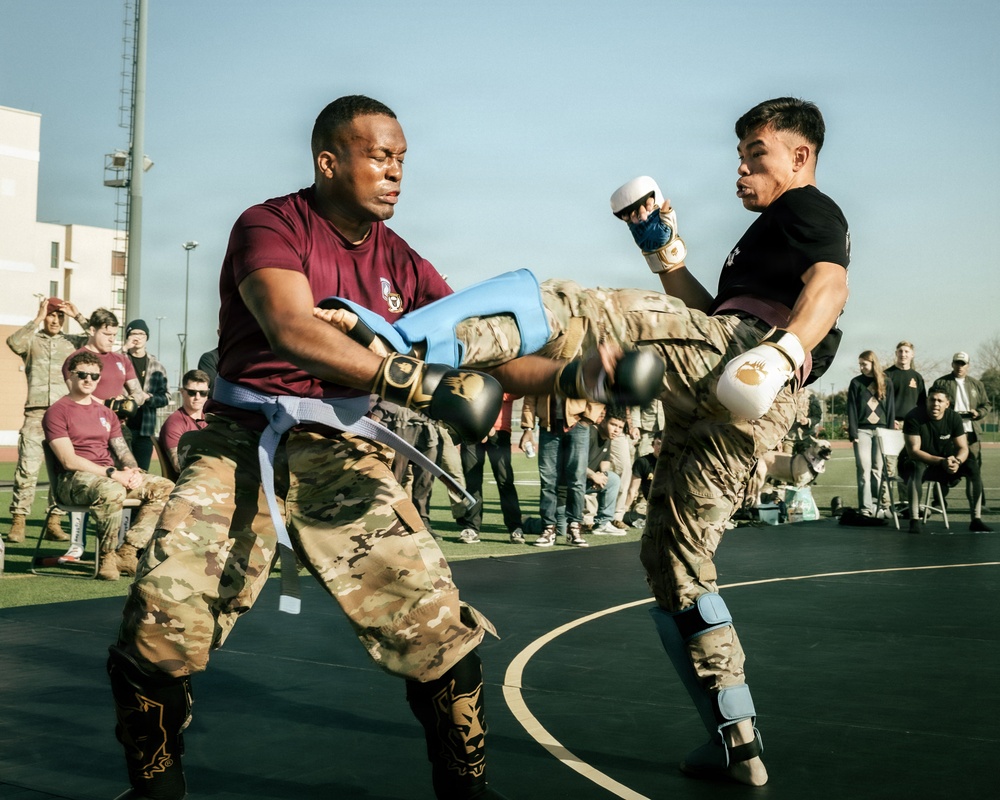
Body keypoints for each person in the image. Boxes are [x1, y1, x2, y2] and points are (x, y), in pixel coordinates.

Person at [253, 95, 850, 787]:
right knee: (675, 566)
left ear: (800, 158)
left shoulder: (806, 209)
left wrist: (784, 351)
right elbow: (702, 321)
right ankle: (735, 738)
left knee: (567, 307)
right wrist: (666, 258)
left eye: (756, 156)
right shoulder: (764, 236)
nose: (740, 171)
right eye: (741, 157)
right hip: (742, 400)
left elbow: (828, 286)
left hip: (753, 364)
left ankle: (403, 341)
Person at [107, 95, 517, 800]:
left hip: (341, 445)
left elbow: (484, 344)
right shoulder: (269, 225)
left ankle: (468, 792)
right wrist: (413, 380)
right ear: (330, 161)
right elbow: (291, 326)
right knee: (161, 618)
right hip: (240, 439)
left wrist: (582, 374)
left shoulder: (402, 260)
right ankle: (154, 792)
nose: (395, 173)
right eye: (379, 156)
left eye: (402, 160)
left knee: (436, 625)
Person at [42, 352, 174, 580]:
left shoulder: (106, 413)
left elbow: (122, 450)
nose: (88, 380)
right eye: (82, 374)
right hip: (72, 481)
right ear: (70, 377)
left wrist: (133, 471)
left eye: (94, 376)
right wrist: (114, 474)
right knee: (111, 490)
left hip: (106, 476)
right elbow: (68, 460)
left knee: (165, 487)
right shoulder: (57, 411)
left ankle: (128, 551)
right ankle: (106, 556)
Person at [4, 296, 89, 544]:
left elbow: (101, 344)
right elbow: (13, 342)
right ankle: (18, 521)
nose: (55, 320)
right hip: (36, 414)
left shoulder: (71, 343)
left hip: (63, 416)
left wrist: (78, 316)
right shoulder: (32, 341)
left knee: (62, 470)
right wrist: (38, 318)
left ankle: (54, 521)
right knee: (27, 470)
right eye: (51, 315)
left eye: (59, 316)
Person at [899, 387, 993, 533]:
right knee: (915, 466)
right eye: (932, 400)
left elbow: (963, 448)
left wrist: (958, 462)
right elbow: (914, 452)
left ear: (947, 404)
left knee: (972, 465)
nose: (935, 404)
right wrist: (941, 461)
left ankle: (976, 519)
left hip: (943, 462)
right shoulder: (914, 416)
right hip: (917, 461)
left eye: (940, 401)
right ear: (927, 401)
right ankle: (914, 520)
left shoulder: (953, 417)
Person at [519, 395, 599, 548]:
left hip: (578, 424)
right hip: (548, 426)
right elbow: (530, 395)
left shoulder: (582, 369)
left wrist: (588, 418)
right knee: (548, 480)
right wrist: (528, 427)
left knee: (577, 480)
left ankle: (574, 527)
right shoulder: (541, 369)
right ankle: (548, 528)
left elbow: (598, 390)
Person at [457, 393, 525, 544]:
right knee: (472, 481)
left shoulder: (505, 372)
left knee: (505, 480)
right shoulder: (469, 368)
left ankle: (515, 527)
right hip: (471, 427)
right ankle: (471, 528)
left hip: (500, 430)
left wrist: (491, 390)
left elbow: (517, 392)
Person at [931, 351, 992, 515]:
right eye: (957, 363)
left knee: (974, 469)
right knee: (943, 465)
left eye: (963, 363)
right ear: (952, 364)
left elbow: (986, 405)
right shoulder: (941, 382)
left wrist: (978, 413)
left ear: (968, 366)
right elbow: (932, 403)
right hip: (948, 433)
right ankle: (938, 502)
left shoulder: (976, 384)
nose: (960, 366)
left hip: (971, 434)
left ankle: (979, 504)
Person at [63, 308, 149, 415]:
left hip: (116, 426)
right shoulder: (75, 360)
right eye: (107, 334)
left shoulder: (122, 360)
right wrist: (109, 404)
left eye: (114, 335)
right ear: (93, 331)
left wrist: (125, 402)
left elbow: (138, 394)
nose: (112, 339)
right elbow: (78, 395)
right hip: (88, 424)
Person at [847, 350, 895, 516]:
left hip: (881, 432)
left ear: (873, 363)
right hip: (862, 432)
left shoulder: (886, 382)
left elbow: (890, 410)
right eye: (860, 364)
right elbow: (851, 409)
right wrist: (853, 433)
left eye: (864, 364)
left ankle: (877, 506)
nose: (861, 367)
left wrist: (889, 434)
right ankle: (866, 508)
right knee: (863, 471)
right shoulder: (855, 383)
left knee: (878, 470)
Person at [122, 319, 171, 471]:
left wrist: (148, 397)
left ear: (147, 337)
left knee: (142, 473)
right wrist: (124, 349)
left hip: (145, 430)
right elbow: (107, 364)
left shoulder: (157, 366)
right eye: (133, 333)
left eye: (141, 333)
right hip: (121, 428)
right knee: (121, 470)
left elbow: (166, 397)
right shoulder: (120, 360)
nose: (137, 337)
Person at [157, 369, 210, 475]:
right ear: (182, 392)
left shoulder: (211, 419)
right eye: (192, 392)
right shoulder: (174, 423)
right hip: (188, 481)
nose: (197, 397)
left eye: (203, 393)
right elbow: (178, 464)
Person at [587, 410, 626, 536]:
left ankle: (603, 523)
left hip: (587, 481)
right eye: (613, 425)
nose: (617, 430)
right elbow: (576, 464)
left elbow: (605, 460)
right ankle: (528, 522)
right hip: (571, 483)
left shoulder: (608, 438)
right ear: (603, 422)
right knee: (560, 528)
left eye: (620, 427)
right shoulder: (590, 434)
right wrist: (593, 476)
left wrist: (602, 474)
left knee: (612, 479)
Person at [885, 340, 926, 424]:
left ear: (912, 354)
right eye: (900, 351)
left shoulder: (917, 377)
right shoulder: (886, 375)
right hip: (891, 422)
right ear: (896, 353)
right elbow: (881, 401)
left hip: (912, 422)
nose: (903, 354)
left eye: (906, 351)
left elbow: (922, 403)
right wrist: (890, 419)